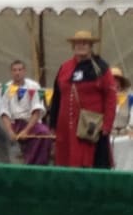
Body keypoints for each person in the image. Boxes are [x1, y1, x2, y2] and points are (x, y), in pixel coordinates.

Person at [47, 30, 116, 169]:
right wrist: (53, 124)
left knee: (87, 162)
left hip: (89, 127)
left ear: (91, 46)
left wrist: (107, 125)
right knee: (65, 161)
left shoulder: (101, 68)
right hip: (65, 127)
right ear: (73, 46)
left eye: (85, 43)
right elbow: (57, 97)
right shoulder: (65, 67)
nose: (81, 45)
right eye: (78, 43)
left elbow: (111, 97)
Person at [0, 59, 51, 165]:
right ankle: (30, 164)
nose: (17, 73)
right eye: (14, 70)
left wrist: (26, 131)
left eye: (20, 70)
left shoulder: (34, 86)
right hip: (15, 123)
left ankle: (35, 165)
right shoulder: (4, 88)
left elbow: (36, 110)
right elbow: (4, 112)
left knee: (45, 134)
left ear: (24, 71)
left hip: (31, 122)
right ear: (11, 72)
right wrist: (10, 131)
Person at [112, 67, 132, 136]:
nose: (114, 83)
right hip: (110, 138)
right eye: (111, 80)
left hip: (128, 137)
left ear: (121, 82)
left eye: (116, 80)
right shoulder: (104, 102)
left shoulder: (130, 99)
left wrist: (130, 128)